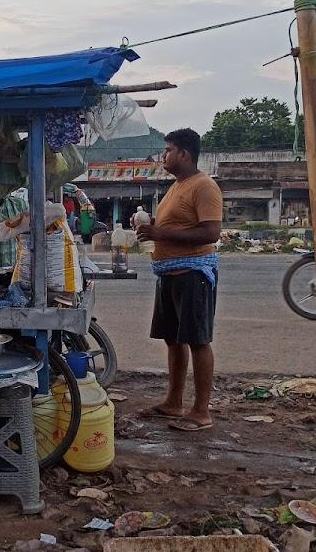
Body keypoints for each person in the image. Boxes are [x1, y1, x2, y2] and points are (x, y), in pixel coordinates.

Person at [136, 128, 222, 433]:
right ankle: (174, 402)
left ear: (184, 154)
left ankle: (201, 411)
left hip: (193, 273)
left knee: (198, 340)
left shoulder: (204, 186)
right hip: (169, 273)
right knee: (173, 339)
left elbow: (211, 232)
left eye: (168, 150)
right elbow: (174, 225)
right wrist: (152, 228)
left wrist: (160, 233)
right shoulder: (177, 187)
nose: (164, 157)